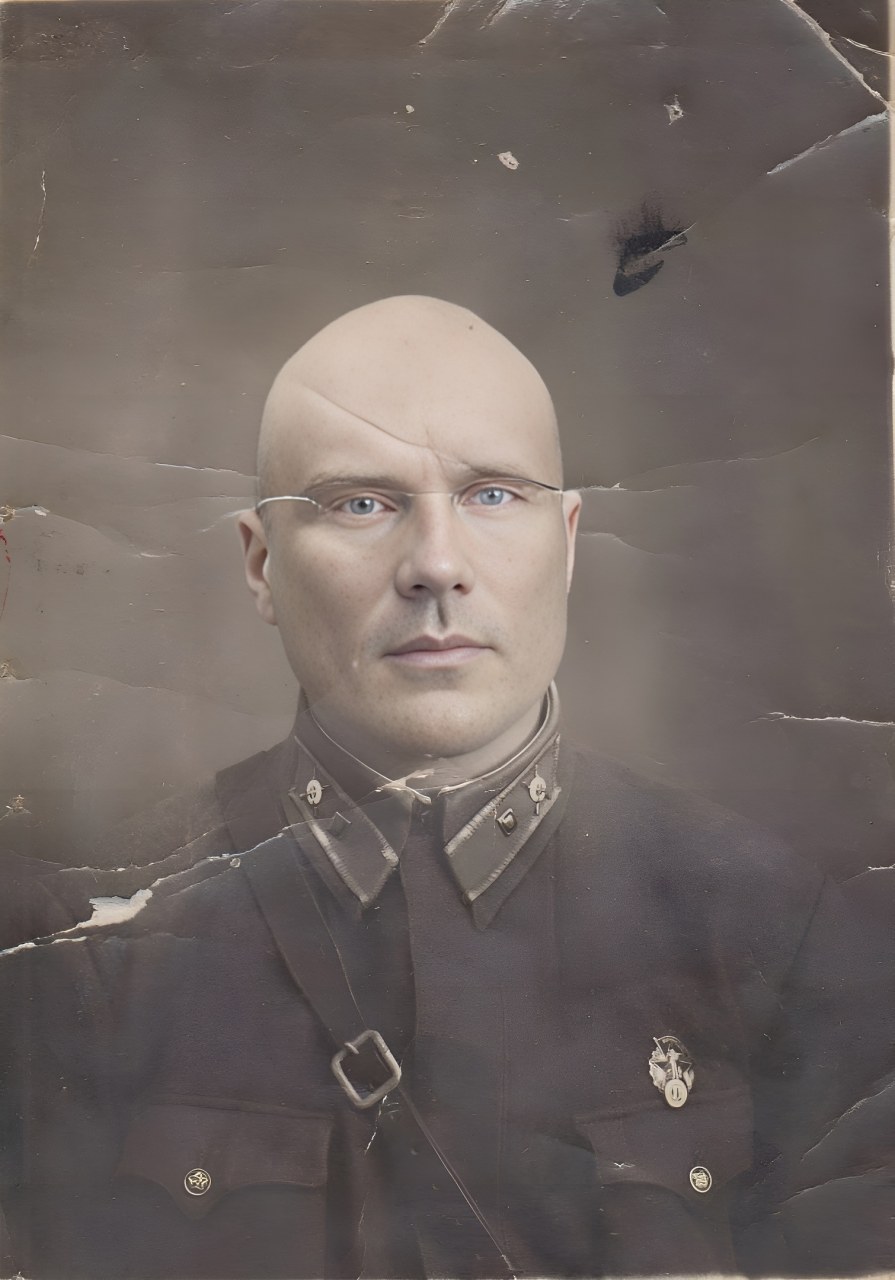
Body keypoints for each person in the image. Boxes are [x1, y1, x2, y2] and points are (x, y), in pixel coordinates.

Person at [0, 296, 892, 1278]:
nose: (434, 564)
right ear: (259, 563)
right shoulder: (87, 950)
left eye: (493, 494)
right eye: (361, 503)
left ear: (568, 540)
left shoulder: (774, 930)